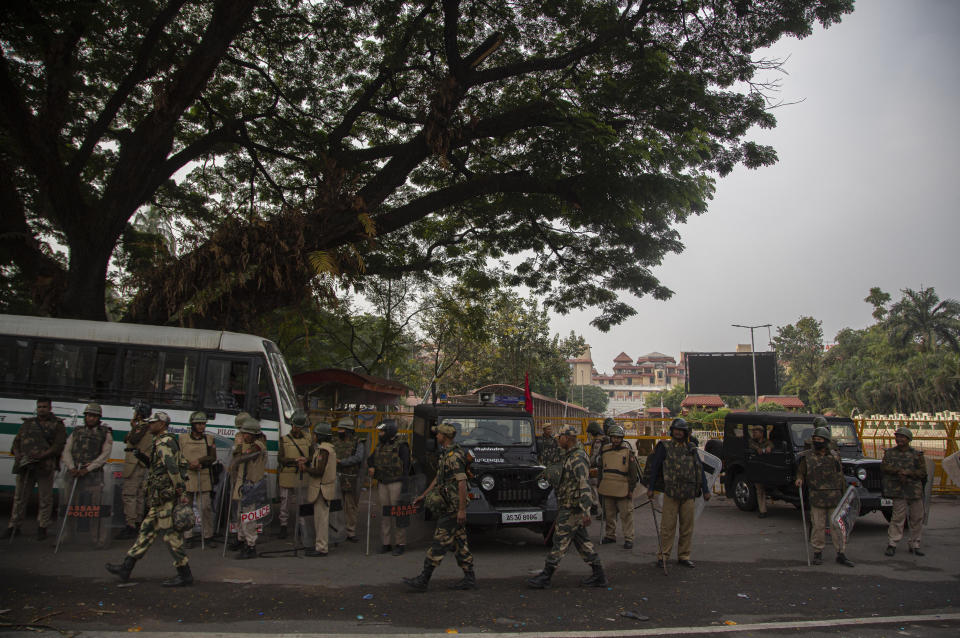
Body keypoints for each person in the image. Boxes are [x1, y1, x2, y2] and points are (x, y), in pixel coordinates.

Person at [105, 412, 193, 587]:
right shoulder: (161, 441)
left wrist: (181, 492)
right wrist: (142, 457)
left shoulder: (164, 442)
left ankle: (185, 574)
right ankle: (126, 567)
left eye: (153, 423)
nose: (150, 426)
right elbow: (157, 467)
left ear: (162, 424)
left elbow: (172, 467)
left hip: (165, 497)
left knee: (170, 536)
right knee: (146, 531)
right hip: (160, 497)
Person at [528, 424, 607, 589]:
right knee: (583, 542)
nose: (558, 440)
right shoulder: (569, 455)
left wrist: (586, 511)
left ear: (567, 438)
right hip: (568, 505)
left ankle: (546, 576)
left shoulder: (577, 457)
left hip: (573, 508)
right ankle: (599, 575)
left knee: (560, 541)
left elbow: (583, 484)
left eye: (560, 437)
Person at [404, 422, 475, 591]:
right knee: (460, 542)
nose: (436, 436)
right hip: (451, 506)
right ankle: (469, 579)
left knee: (439, 542)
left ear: (445, 436)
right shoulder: (446, 454)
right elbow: (438, 479)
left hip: (453, 507)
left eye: (439, 434)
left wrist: (461, 509)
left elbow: (462, 482)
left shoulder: (453, 457)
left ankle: (423, 579)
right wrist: (424, 495)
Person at [645, 418, 710, 568]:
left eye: (681, 430)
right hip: (671, 493)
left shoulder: (692, 448)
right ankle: (663, 556)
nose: (678, 432)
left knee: (687, 527)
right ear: (672, 430)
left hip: (689, 494)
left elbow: (699, 469)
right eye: (676, 429)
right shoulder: (664, 446)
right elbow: (655, 468)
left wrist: (706, 490)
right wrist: (651, 488)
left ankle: (684, 556)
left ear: (685, 432)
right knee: (667, 527)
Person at [3, 397, 66, 540]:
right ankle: (14, 526)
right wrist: (18, 455)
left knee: (45, 498)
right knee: (19, 498)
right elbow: (16, 442)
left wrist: (42, 455)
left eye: (44, 406)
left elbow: (58, 445)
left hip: (45, 466)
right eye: (39, 407)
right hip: (25, 466)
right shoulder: (28, 423)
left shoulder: (57, 425)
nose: (41, 409)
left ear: (50, 408)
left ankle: (42, 527)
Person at [795, 420, 854, 567]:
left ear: (826, 441)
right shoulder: (807, 456)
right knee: (818, 526)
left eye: (820, 440)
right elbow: (801, 472)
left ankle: (840, 553)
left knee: (837, 527)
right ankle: (817, 553)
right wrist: (799, 479)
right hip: (817, 496)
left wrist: (844, 494)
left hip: (834, 497)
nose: (817, 442)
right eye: (815, 439)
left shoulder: (834, 455)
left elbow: (840, 475)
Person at [59, 402, 113, 546]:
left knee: (96, 510)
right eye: (89, 415)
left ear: (99, 417)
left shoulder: (105, 433)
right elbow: (66, 450)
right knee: (70, 507)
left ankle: (98, 538)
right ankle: (67, 535)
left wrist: (87, 469)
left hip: (93, 477)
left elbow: (105, 455)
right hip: (74, 475)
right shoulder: (77, 431)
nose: (91, 418)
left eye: (94, 416)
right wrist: (71, 467)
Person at [882, 427, 927, 557]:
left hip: (914, 490)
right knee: (897, 518)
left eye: (902, 437)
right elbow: (884, 467)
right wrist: (898, 471)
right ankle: (892, 543)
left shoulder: (917, 455)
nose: (899, 439)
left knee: (917, 518)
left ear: (908, 439)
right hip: (898, 490)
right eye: (898, 436)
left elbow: (922, 472)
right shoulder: (890, 453)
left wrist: (908, 473)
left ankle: (915, 544)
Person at [367, 419, 410, 555]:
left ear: (389, 431)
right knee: (385, 514)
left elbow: (406, 467)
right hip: (382, 483)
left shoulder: (401, 446)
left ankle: (400, 543)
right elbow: (370, 459)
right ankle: (386, 543)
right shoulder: (380, 446)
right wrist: (372, 467)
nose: (380, 434)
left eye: (382, 431)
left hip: (396, 483)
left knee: (398, 514)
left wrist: (404, 487)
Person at [597, 424, 641, 549]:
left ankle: (629, 538)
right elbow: (600, 468)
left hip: (623, 487)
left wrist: (631, 489)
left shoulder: (628, 452)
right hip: (608, 486)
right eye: (613, 437)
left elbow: (633, 473)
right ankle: (610, 535)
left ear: (622, 438)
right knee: (609, 513)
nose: (616, 440)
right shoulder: (605, 450)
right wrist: (600, 483)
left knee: (626, 514)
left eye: (618, 437)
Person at [179, 411, 217, 548]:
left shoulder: (209, 439)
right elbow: (177, 456)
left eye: (203, 424)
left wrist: (199, 461)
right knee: (186, 508)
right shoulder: (182, 438)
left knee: (205, 507)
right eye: (199, 424)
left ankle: (208, 536)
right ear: (193, 424)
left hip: (203, 475)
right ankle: (187, 536)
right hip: (188, 475)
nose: (201, 426)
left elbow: (213, 457)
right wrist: (189, 464)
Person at [231, 416, 267, 559]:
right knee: (240, 514)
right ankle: (241, 539)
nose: (243, 435)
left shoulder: (258, 444)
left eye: (246, 433)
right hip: (243, 483)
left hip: (252, 484)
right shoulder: (247, 443)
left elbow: (248, 456)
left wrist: (238, 455)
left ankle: (251, 545)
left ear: (253, 434)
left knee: (248, 516)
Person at [300, 421, 337, 557]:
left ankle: (321, 548)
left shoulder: (324, 450)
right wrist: (307, 460)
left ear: (320, 436)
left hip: (322, 488)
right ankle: (320, 545)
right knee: (320, 519)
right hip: (323, 488)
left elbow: (319, 470)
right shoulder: (325, 449)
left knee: (321, 520)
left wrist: (306, 469)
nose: (313, 436)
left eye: (315, 434)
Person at [276, 409, 315, 539]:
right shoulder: (284, 439)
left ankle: (301, 527)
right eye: (295, 426)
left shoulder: (308, 440)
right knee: (285, 503)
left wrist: (306, 460)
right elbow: (280, 458)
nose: (296, 429)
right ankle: (283, 526)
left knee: (302, 503)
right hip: (287, 474)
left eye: (299, 427)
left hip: (302, 475)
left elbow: (312, 455)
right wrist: (294, 460)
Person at [117, 406, 153, 539]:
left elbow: (132, 439)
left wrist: (133, 425)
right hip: (142, 464)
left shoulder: (142, 426)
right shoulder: (149, 426)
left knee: (130, 495)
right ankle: (137, 523)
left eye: (135, 412)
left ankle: (131, 525)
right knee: (139, 495)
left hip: (135, 464)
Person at [332, 415, 366, 542]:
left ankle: (350, 531)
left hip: (350, 478)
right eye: (339, 429)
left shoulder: (358, 442)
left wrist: (341, 462)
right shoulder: (334, 441)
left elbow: (358, 458)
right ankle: (337, 530)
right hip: (335, 476)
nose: (339, 431)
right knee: (336, 505)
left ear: (348, 430)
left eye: (342, 429)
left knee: (350, 506)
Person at [749, 425, 773, 518]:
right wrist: (757, 448)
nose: (754, 433)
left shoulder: (767, 442)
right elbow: (751, 445)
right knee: (760, 490)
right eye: (753, 432)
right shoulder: (752, 442)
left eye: (756, 432)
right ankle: (763, 510)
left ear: (761, 433)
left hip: (767, 468)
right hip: (757, 468)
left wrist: (769, 447)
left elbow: (771, 445)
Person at [585, 421, 605, 518]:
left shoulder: (598, 441)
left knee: (594, 487)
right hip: (602, 467)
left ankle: (595, 506)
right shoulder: (603, 438)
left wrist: (589, 463)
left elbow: (595, 455)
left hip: (597, 467)